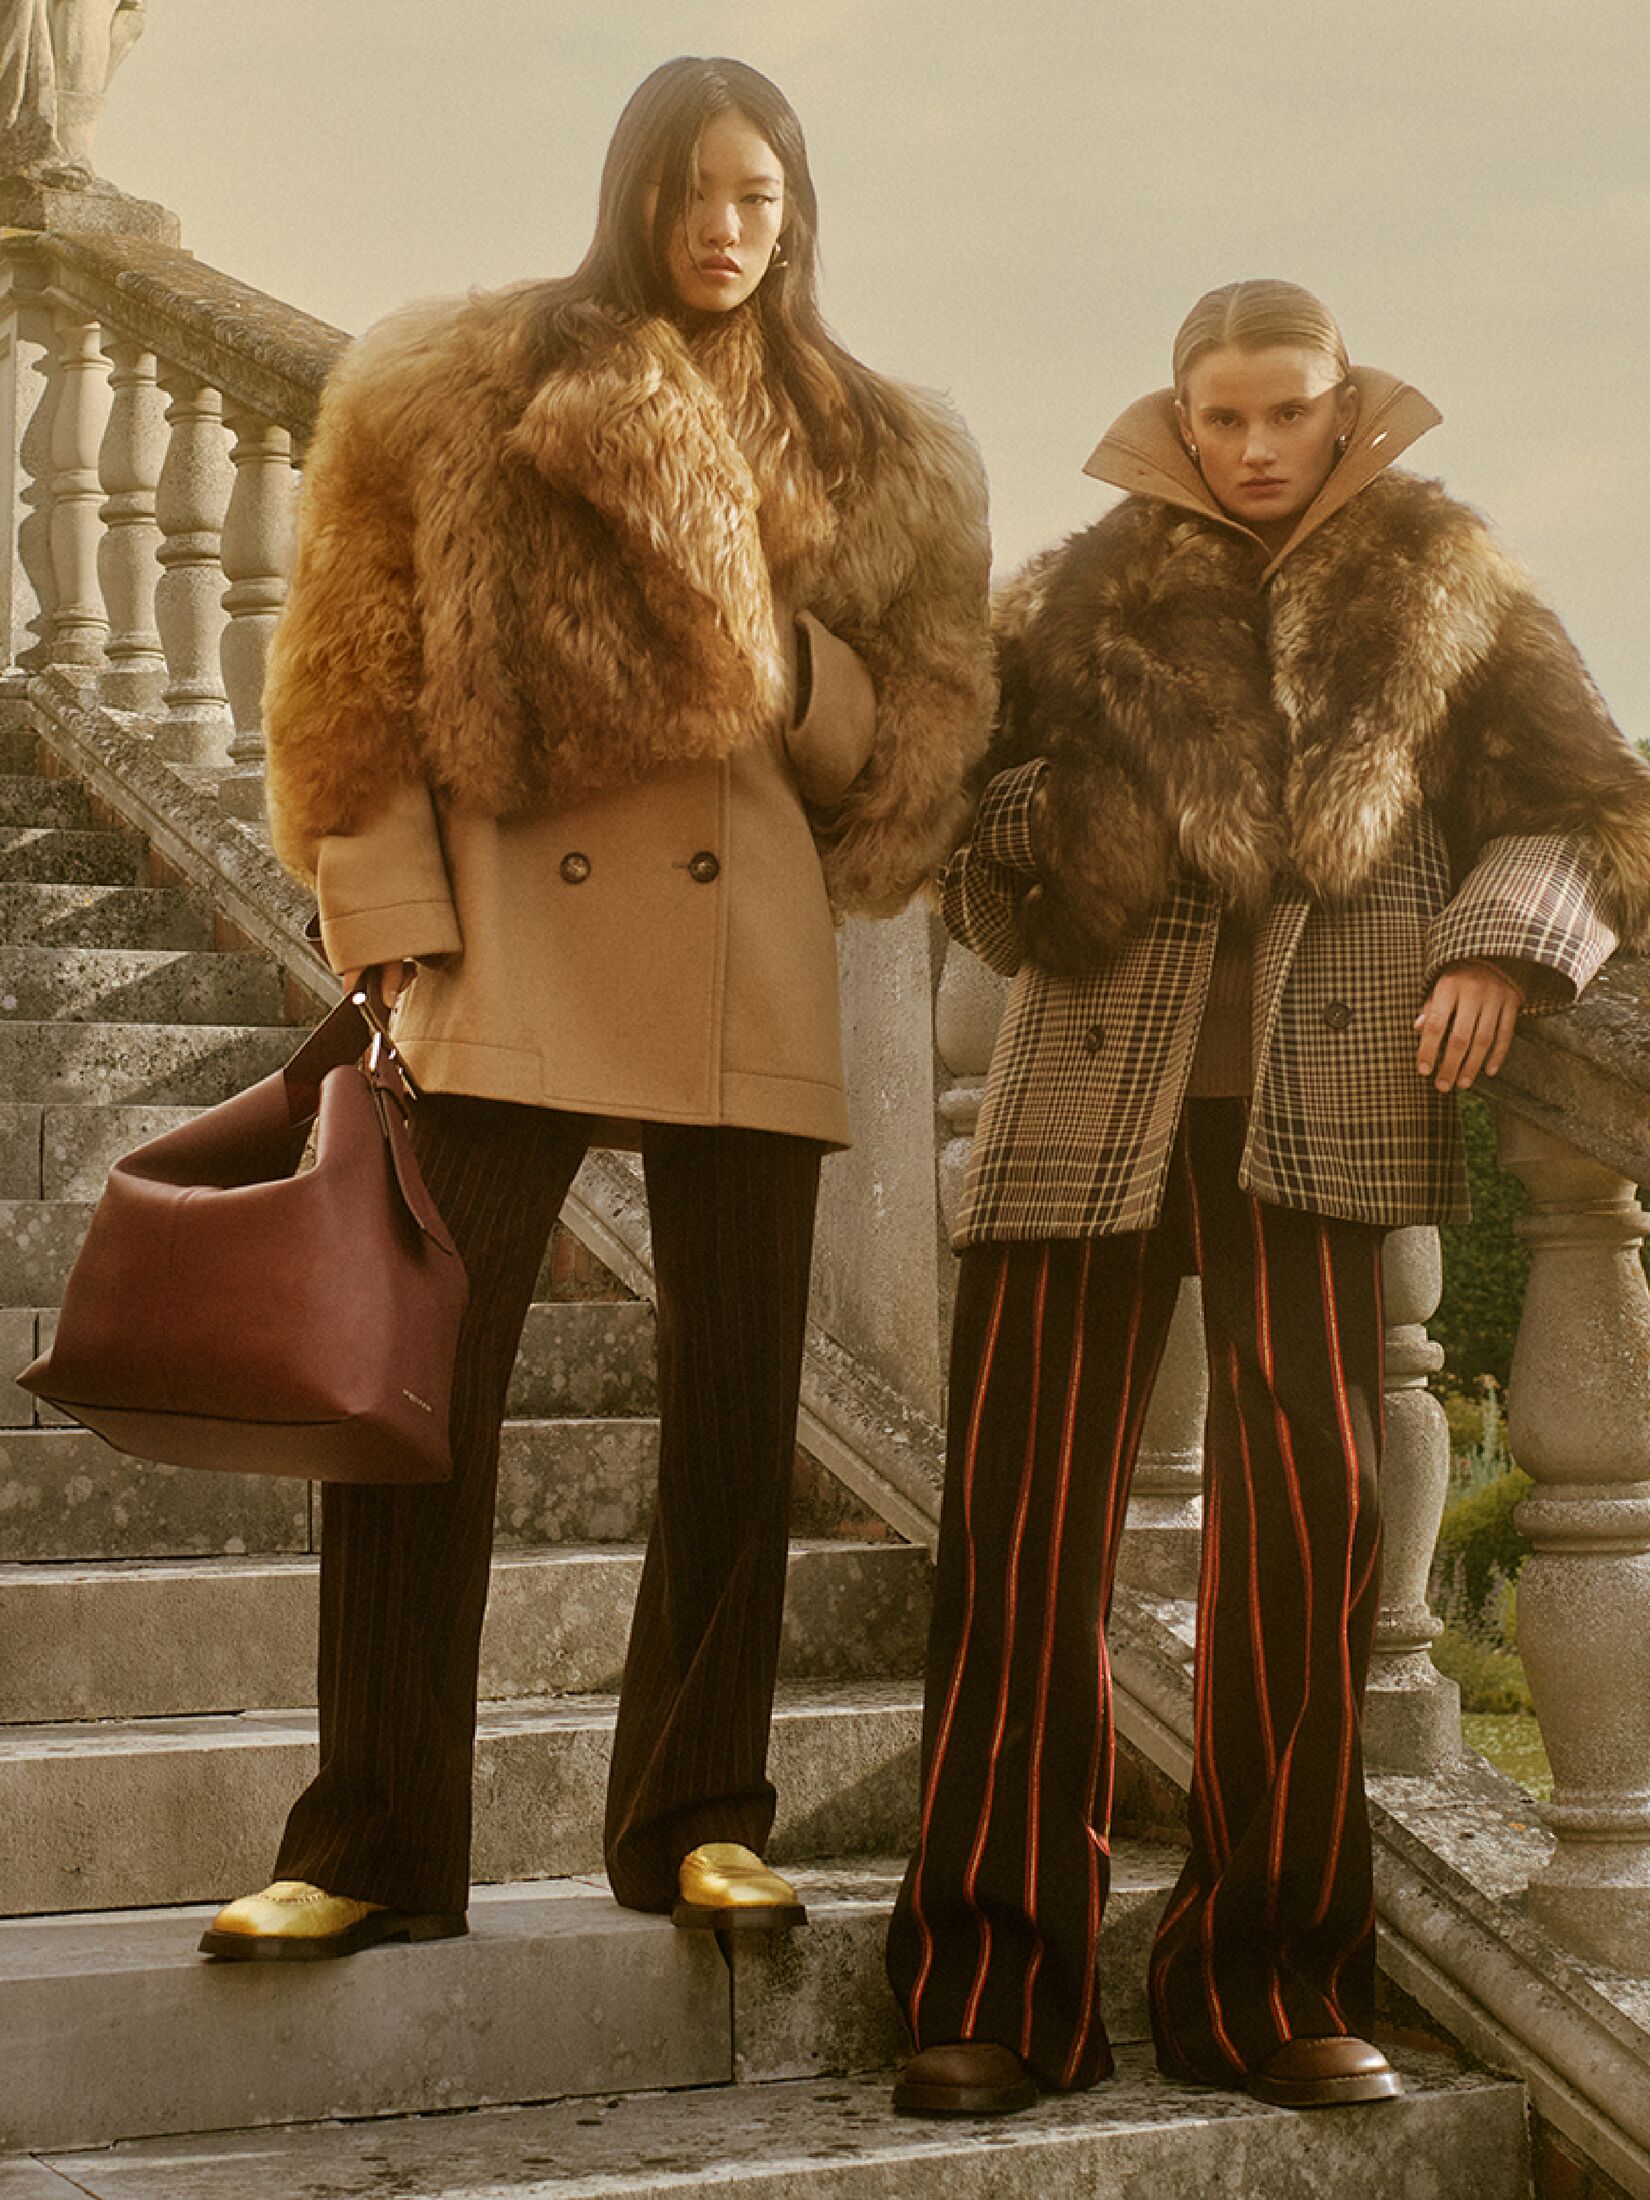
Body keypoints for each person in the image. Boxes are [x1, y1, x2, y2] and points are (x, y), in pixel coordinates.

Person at [201, 54, 992, 1961]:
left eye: (762, 197)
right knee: (413, 1407)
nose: (728, 230)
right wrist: (385, 917)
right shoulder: (462, 385)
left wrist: (780, 658)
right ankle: (370, 1839)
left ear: (799, 210)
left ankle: (699, 1819)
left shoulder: (879, 441)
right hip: (508, 940)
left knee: (735, 1413)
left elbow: (920, 751)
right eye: (694, 192)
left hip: (748, 947)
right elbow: (352, 670)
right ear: (633, 193)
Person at [886, 278, 1650, 2115]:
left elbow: (1590, 809)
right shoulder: (1074, 591)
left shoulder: (1448, 581)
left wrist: (1498, 949)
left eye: (1284, 414)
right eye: (1218, 418)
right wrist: (1063, 847)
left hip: (1327, 1107)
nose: (1250, 450)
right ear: (1173, 415)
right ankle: (990, 1983)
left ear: (1342, 407)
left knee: (1303, 1542)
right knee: (1015, 1531)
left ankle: (1270, 1984)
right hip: (1081, 1100)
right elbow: (956, 835)